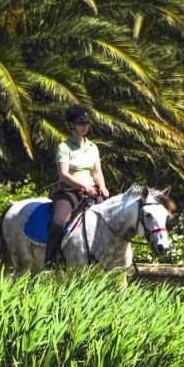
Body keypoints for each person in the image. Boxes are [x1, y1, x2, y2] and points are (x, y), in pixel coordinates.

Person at [44, 105, 109, 269]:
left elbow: (97, 172)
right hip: (69, 191)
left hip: (92, 191)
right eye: (81, 123)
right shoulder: (64, 148)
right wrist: (83, 186)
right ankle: (51, 260)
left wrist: (103, 187)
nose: (85, 127)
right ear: (72, 125)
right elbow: (64, 174)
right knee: (59, 222)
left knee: (110, 219)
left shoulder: (93, 148)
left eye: (87, 123)